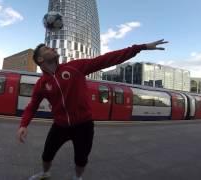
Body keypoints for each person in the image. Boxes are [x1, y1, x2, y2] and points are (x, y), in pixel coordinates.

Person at [17, 39, 168, 180]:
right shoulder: (41, 84)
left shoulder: (74, 67)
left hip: (84, 125)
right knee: (47, 154)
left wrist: (140, 48)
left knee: (81, 159)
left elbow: (107, 59)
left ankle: (78, 177)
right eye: (47, 49)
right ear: (40, 60)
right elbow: (32, 106)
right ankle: (45, 173)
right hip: (60, 126)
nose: (52, 48)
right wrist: (24, 124)